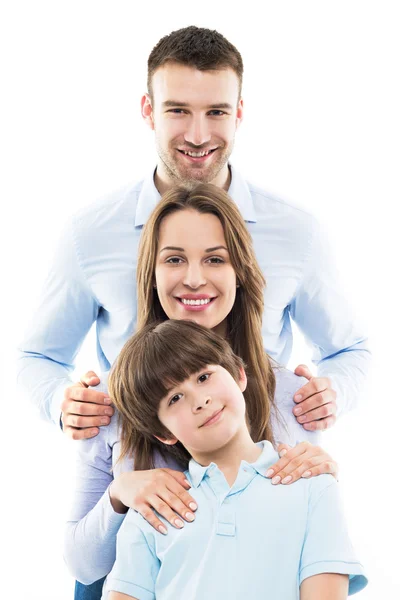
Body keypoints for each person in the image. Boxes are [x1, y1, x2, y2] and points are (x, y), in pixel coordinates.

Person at [64, 184, 340, 597]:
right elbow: (84, 566)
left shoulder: (291, 394)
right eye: (174, 259)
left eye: (215, 259)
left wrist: (324, 475)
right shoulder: (108, 401)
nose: (194, 279)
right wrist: (120, 495)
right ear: (151, 273)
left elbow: (307, 524)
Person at [102, 319, 368, 599]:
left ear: (239, 374)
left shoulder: (313, 486)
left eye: (203, 377)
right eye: (175, 398)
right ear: (163, 433)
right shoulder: (153, 512)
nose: (200, 401)